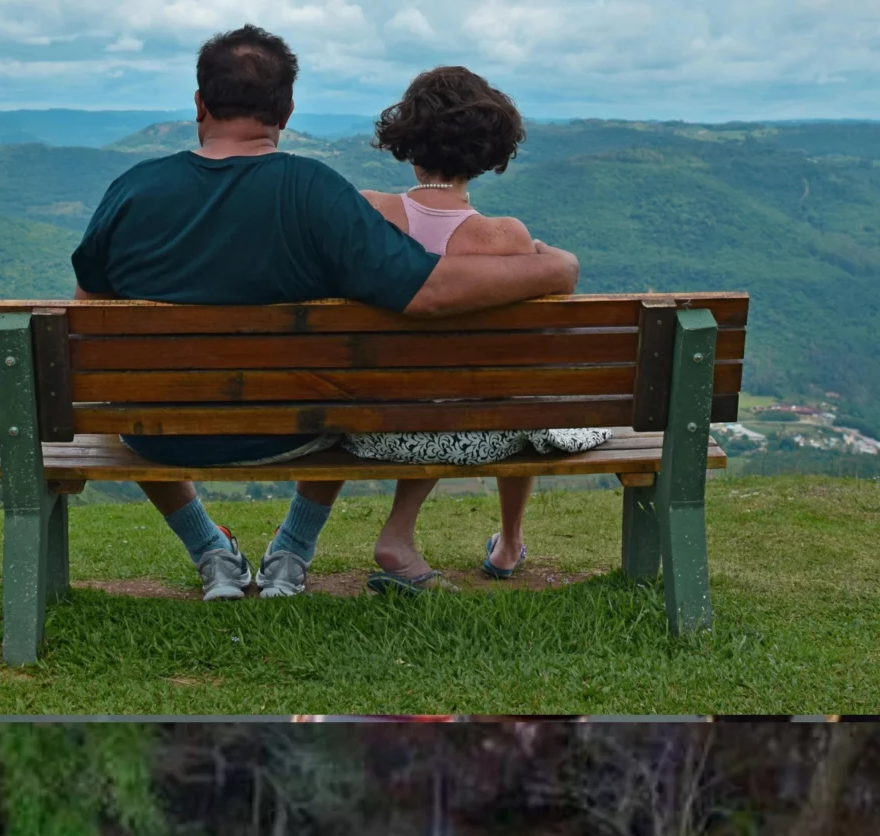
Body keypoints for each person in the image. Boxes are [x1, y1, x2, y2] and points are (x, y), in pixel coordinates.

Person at [70, 26, 580, 601]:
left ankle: (210, 551)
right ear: (286, 110)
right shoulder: (317, 193)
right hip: (294, 431)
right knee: (343, 373)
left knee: (131, 391)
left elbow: (91, 318)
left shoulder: (130, 190)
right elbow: (428, 291)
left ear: (199, 102)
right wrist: (554, 269)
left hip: (156, 432)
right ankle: (291, 549)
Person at [349, 67, 610, 594]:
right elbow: (556, 283)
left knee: (478, 390)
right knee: (521, 392)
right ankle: (510, 542)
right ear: (489, 149)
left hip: (370, 424)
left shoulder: (367, 211)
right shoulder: (504, 237)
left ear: (407, 137)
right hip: (478, 429)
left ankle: (431, 536)